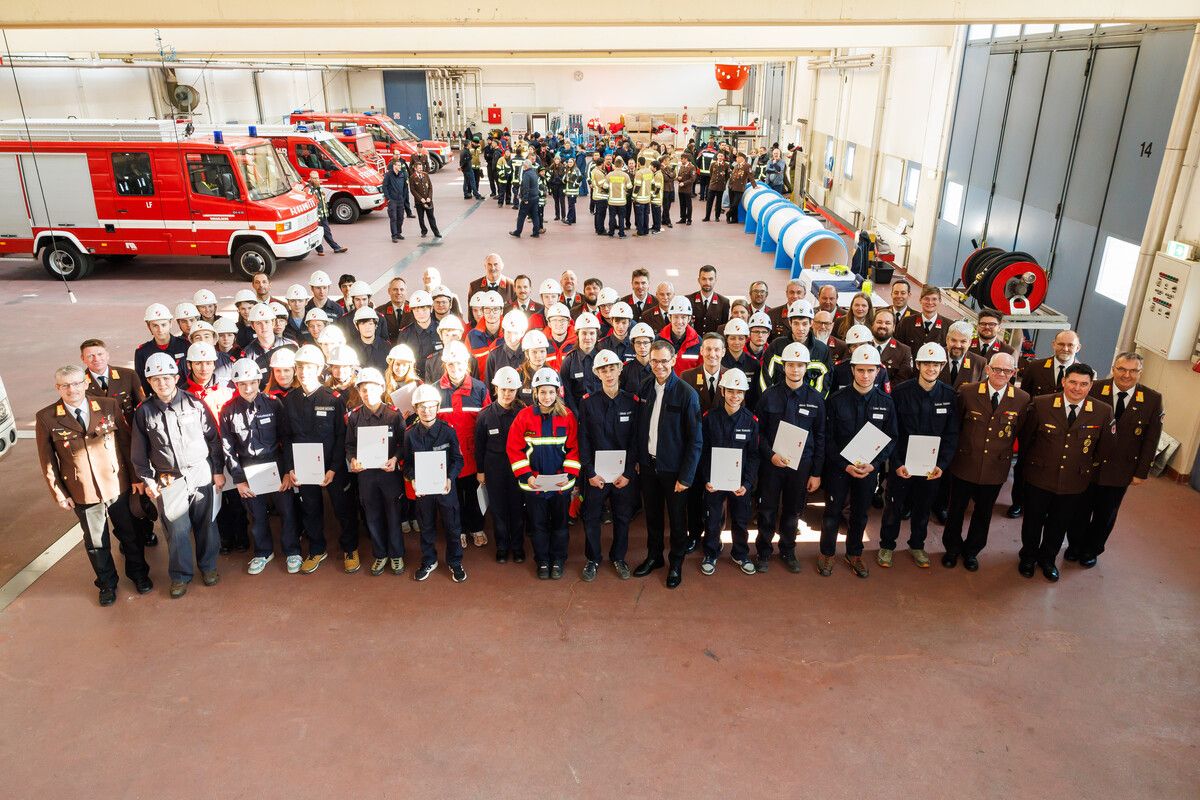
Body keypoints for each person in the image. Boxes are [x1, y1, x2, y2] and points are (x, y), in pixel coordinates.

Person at [37, 365, 151, 605]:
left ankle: (139, 574)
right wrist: (59, 493)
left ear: (85, 383)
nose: (72, 389)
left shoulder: (108, 405)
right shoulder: (47, 417)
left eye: (77, 383)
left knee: (130, 534)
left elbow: (125, 443)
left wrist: (135, 479)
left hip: (116, 484)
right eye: (65, 385)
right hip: (82, 491)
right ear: (58, 387)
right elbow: (47, 460)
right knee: (97, 542)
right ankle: (107, 584)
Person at [130, 353, 225, 599]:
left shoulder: (194, 404)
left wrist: (216, 471)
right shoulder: (144, 412)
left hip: (200, 472)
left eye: (167, 378)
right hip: (168, 478)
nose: (162, 383)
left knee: (207, 524)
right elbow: (138, 454)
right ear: (149, 382)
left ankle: (208, 567)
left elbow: (213, 440)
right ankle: (180, 576)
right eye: (156, 379)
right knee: (177, 528)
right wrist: (148, 480)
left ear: (176, 377)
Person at [1067, 352, 1164, 568]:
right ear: (1113, 368)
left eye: (1133, 370)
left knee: (1105, 514)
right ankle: (1074, 546)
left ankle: (1092, 549)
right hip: (1087, 465)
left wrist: (1141, 472)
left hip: (1121, 469)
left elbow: (1151, 439)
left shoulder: (1152, 399)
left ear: (1140, 372)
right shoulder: (1094, 388)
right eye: (1122, 369)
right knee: (1079, 510)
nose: (1126, 375)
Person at [1017, 363, 1112, 582]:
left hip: (1073, 481)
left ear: (1091, 386)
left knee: (1059, 523)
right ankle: (1028, 557)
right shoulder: (1041, 404)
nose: (1077, 388)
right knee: (1032, 521)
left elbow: (1103, 449)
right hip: (1039, 477)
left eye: (1083, 384)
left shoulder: (1102, 411)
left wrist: (1083, 469)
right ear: (1063, 381)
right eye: (1073, 382)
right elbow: (1026, 439)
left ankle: (1048, 559)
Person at [941, 352, 1029, 570]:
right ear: (987, 369)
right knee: (956, 510)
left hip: (995, 467)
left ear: (1013, 373)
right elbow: (956, 426)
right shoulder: (968, 392)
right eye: (997, 369)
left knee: (983, 513)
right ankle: (951, 549)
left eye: (1007, 371)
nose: (1001, 374)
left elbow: (1018, 431)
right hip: (965, 463)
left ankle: (972, 551)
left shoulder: (1022, 398)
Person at [876, 343, 959, 569]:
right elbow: (891, 431)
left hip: (930, 468)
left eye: (936, 364)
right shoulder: (901, 392)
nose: (931, 368)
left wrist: (942, 465)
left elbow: (951, 435)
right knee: (893, 506)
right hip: (902, 464)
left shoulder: (949, 396)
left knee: (923, 508)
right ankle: (887, 545)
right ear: (918, 365)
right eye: (926, 364)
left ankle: (917, 545)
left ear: (942, 366)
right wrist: (896, 463)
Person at [281, 345, 360, 575]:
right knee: (310, 509)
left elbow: (340, 436)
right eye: (300, 367)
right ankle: (317, 549)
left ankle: (350, 548)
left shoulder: (333, 399)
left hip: (332, 467)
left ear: (318, 369)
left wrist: (334, 468)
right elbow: (286, 437)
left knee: (343, 508)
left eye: (309, 367)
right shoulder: (290, 400)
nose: (304, 371)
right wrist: (290, 468)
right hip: (304, 468)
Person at [819, 346, 897, 578]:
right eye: (860, 370)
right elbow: (827, 438)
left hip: (868, 470)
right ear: (852, 370)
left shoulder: (886, 402)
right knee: (832, 512)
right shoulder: (835, 401)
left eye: (870, 370)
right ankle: (827, 553)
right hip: (839, 469)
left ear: (878, 372)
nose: (865, 375)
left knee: (860, 514)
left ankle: (854, 553)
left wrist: (875, 464)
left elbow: (892, 438)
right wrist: (844, 465)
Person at [219, 358, 301, 575]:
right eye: (242, 384)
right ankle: (263, 552)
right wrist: (239, 479)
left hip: (276, 464)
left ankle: (292, 550)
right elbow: (228, 448)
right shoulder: (228, 411)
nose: (248, 388)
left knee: (287, 511)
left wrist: (286, 472)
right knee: (257, 515)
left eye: (253, 382)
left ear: (259, 381)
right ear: (236, 385)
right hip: (248, 469)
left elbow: (286, 438)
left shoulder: (274, 404)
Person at [635, 340, 703, 589]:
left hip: (674, 471)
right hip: (649, 467)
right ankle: (655, 557)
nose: (659, 366)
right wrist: (639, 461)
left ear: (673, 360)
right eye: (655, 361)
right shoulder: (644, 388)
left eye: (664, 361)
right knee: (652, 517)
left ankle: (676, 562)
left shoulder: (687, 394)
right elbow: (639, 430)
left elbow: (696, 441)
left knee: (677, 520)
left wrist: (686, 477)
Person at [754, 342, 825, 573]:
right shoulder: (768, 397)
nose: (795, 369)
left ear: (807, 367)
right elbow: (759, 434)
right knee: (767, 510)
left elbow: (820, 436)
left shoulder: (816, 399)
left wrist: (816, 472)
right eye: (791, 365)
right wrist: (770, 455)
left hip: (801, 466)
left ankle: (788, 550)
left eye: (800, 365)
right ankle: (764, 552)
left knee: (793, 510)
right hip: (772, 465)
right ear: (783, 367)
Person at [80, 338, 157, 547]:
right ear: (83, 359)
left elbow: (142, 407)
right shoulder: (80, 384)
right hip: (101, 447)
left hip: (132, 441)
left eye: (99, 354)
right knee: (116, 494)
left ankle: (146, 529)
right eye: (90, 356)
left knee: (140, 488)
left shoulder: (127, 375)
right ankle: (125, 536)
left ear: (107, 355)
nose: (96, 359)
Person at [507, 368, 580, 579]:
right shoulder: (524, 417)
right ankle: (542, 561)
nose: (547, 397)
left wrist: (568, 476)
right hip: (534, 486)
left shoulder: (567, 417)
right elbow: (514, 448)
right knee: (538, 526)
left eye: (551, 392)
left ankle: (558, 560)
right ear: (535, 393)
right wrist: (527, 476)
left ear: (557, 392)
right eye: (542, 392)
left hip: (560, 486)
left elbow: (574, 449)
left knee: (560, 526)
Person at [575, 350, 639, 581]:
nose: (608, 373)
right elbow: (583, 439)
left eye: (612, 368)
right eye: (603, 369)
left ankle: (618, 557)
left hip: (623, 475)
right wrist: (589, 472)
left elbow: (635, 440)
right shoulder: (588, 403)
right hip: (596, 476)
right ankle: (592, 558)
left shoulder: (632, 402)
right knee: (591, 517)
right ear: (597, 373)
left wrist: (629, 473)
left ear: (620, 369)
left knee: (622, 517)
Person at [1009, 328, 1082, 518]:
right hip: (1034, 429)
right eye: (1061, 344)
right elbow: (1025, 398)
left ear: (1078, 347)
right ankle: (1018, 502)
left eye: (1070, 345)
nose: (1065, 348)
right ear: (1053, 345)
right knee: (1023, 465)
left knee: (1053, 468)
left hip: (1063, 433)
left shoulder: (1083, 374)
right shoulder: (1036, 367)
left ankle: (1044, 506)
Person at [697, 368, 760, 575]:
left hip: (740, 483)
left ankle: (740, 553)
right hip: (714, 482)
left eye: (739, 392)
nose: (735, 396)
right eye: (731, 391)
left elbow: (753, 455)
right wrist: (707, 479)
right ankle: (711, 552)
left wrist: (748, 484)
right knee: (713, 519)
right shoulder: (710, 418)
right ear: (722, 391)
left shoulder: (751, 421)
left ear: (744, 394)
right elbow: (704, 451)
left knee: (741, 520)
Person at [346, 367, 407, 577]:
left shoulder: (393, 414)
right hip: (366, 477)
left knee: (393, 515)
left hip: (389, 475)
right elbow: (349, 445)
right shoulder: (354, 417)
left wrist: (395, 459)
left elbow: (403, 443)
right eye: (363, 389)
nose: (366, 393)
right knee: (372, 516)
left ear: (381, 389)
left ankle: (397, 554)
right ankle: (380, 554)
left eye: (371, 388)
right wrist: (352, 459)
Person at [404, 384, 467, 583]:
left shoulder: (448, 431)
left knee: (453, 526)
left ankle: (455, 561)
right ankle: (429, 560)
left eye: (431, 406)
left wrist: (450, 478)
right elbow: (406, 464)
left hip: (446, 488)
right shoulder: (409, 434)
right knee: (427, 526)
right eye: (421, 407)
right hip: (423, 492)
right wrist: (413, 479)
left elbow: (458, 459)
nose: (426, 410)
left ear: (438, 407)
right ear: (415, 409)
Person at [435, 341, 490, 548]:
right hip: (447, 457)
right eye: (450, 364)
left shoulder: (479, 388)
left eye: (459, 364)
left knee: (475, 495)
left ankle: (476, 527)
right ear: (444, 365)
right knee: (452, 498)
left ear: (466, 363)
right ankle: (456, 530)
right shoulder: (435, 390)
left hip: (473, 455)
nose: (455, 368)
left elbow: (485, 424)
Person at [475, 367, 527, 563]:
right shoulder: (484, 416)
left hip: (517, 468)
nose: (507, 393)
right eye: (503, 389)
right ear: (496, 388)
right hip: (493, 468)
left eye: (511, 390)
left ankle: (518, 547)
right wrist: (480, 471)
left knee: (517, 508)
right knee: (498, 509)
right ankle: (502, 547)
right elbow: (479, 446)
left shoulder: (523, 413)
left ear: (516, 391)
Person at [134, 303, 188, 395]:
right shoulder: (142, 352)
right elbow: (142, 383)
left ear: (170, 324)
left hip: (184, 396)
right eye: (155, 326)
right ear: (148, 327)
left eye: (163, 325)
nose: (160, 330)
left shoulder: (185, 346)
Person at [306, 172, 348, 256]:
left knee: (327, 232)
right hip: (315, 216)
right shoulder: (309, 190)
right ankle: (320, 249)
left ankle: (335, 248)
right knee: (316, 233)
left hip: (323, 215)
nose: (317, 180)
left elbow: (323, 201)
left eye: (317, 178)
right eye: (314, 178)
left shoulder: (319, 188)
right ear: (310, 179)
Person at [895, 286, 949, 350]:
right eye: (926, 299)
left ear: (940, 301)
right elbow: (897, 348)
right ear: (920, 300)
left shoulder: (948, 326)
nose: (930, 302)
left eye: (934, 299)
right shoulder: (906, 323)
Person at [659, 296, 701, 376]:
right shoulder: (659, 340)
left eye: (683, 317)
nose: (679, 321)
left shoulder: (698, 342)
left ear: (689, 319)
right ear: (670, 318)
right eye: (676, 317)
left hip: (688, 387)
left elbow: (701, 371)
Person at [939, 321, 987, 390]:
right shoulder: (935, 355)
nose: (958, 345)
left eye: (963, 341)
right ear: (947, 339)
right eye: (953, 340)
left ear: (969, 342)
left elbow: (980, 393)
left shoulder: (980, 363)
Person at [871, 308, 914, 383]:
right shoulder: (862, 346)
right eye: (879, 322)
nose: (883, 326)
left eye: (887, 323)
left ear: (894, 327)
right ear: (873, 325)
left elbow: (902, 380)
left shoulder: (904, 351)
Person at [689, 264, 731, 337]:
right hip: (694, 344)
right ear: (699, 280)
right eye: (704, 279)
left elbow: (723, 329)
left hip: (714, 345)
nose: (707, 282)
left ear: (715, 280)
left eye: (710, 279)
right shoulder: (689, 300)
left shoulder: (724, 302)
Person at [409, 158, 442, 239]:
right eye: (419, 168)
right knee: (421, 218)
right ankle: (424, 231)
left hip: (428, 201)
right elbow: (412, 190)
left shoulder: (426, 175)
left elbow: (430, 187)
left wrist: (429, 197)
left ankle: (436, 232)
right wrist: (420, 199)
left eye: (421, 168)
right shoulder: (412, 177)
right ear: (415, 168)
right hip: (419, 202)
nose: (421, 169)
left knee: (431, 217)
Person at [511, 155, 542, 238]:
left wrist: (524, 198)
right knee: (535, 215)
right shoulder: (534, 173)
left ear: (526, 166)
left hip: (529, 198)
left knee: (521, 215)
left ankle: (518, 231)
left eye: (524, 166)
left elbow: (525, 188)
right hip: (535, 197)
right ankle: (536, 232)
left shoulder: (526, 175)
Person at [383, 157, 409, 242]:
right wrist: (388, 198)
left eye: (400, 165)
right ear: (394, 166)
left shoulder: (402, 174)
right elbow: (384, 186)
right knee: (393, 218)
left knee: (400, 217)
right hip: (392, 200)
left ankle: (398, 233)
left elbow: (405, 187)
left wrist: (404, 197)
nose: (400, 167)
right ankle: (394, 235)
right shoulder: (388, 175)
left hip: (401, 200)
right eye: (398, 165)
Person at [726, 152, 755, 223]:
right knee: (732, 203)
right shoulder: (736, 165)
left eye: (737, 157)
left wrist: (754, 185)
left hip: (739, 187)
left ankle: (728, 214)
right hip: (731, 186)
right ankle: (734, 219)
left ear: (741, 158)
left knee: (735, 204)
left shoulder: (747, 166)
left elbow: (751, 176)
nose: (736, 159)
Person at [606, 157, 631, 237]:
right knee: (621, 217)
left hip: (612, 200)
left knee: (612, 217)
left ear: (615, 165)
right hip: (622, 200)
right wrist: (625, 191)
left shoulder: (610, 175)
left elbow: (605, 186)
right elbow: (630, 187)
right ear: (622, 165)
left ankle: (611, 232)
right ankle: (621, 233)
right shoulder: (625, 175)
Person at [703, 152, 729, 221]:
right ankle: (707, 217)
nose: (720, 157)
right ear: (717, 157)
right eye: (719, 156)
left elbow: (727, 176)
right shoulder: (713, 164)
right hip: (712, 185)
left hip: (720, 186)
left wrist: (723, 182)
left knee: (718, 202)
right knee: (709, 202)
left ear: (723, 157)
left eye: (721, 156)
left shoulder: (726, 165)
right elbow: (711, 174)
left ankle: (717, 217)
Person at [589, 152, 610, 235]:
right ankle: (601, 230)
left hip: (596, 194)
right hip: (601, 196)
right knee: (601, 214)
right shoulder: (599, 173)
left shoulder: (595, 170)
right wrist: (609, 187)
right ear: (601, 164)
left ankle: (597, 228)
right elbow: (603, 185)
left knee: (598, 213)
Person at [676, 155, 696, 225]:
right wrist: (678, 178)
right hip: (681, 189)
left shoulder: (692, 167)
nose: (681, 160)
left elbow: (692, 179)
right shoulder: (681, 166)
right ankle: (683, 218)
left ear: (686, 159)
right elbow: (679, 175)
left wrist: (684, 183)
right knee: (682, 204)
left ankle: (689, 219)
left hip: (687, 189)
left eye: (682, 159)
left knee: (688, 204)